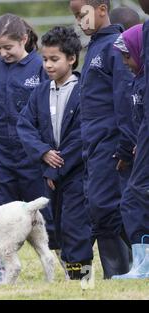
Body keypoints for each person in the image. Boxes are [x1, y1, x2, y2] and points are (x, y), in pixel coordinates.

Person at [0, 13, 58, 283]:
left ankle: (62, 264)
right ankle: (4, 271)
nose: (2, 53)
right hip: (1, 157)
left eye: (8, 47)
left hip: (35, 157)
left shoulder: (41, 68)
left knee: (44, 215)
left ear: (25, 40)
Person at [17, 27, 93, 280]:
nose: (48, 65)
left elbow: (81, 134)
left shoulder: (84, 90)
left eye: (54, 59)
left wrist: (55, 168)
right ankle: (71, 274)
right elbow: (25, 126)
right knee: (57, 226)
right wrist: (42, 153)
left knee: (75, 226)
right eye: (45, 59)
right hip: (49, 174)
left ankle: (82, 277)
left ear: (71, 59)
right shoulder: (39, 92)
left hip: (75, 172)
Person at [69, 0, 135, 278]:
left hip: (111, 145)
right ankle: (123, 270)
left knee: (105, 207)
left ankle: (120, 272)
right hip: (92, 145)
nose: (79, 22)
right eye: (75, 16)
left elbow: (124, 99)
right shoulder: (93, 46)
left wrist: (124, 144)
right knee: (98, 206)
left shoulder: (116, 45)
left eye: (82, 14)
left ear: (102, 9)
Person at [111, 0, 149, 279]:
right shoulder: (138, 79)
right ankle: (141, 263)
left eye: (127, 57)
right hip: (141, 145)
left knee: (134, 198)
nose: (125, 64)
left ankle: (144, 266)